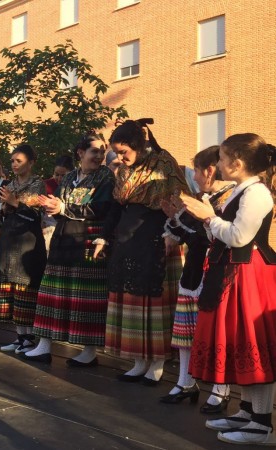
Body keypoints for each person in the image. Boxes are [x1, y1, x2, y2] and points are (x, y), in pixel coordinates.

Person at [181, 134, 276, 445]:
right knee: (240, 342)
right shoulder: (242, 189)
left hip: (248, 274)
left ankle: (262, 424)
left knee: (253, 342)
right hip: (234, 272)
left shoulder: (258, 193)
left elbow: (238, 237)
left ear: (237, 163)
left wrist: (208, 218)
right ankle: (248, 412)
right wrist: (207, 218)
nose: (218, 164)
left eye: (221, 159)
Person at [93, 119, 188, 385]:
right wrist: (104, 237)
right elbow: (116, 206)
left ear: (137, 145)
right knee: (131, 301)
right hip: (127, 241)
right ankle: (139, 360)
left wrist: (173, 233)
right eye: (118, 153)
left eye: (124, 152)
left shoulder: (163, 163)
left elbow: (180, 201)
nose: (121, 158)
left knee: (153, 304)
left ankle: (157, 361)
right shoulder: (123, 172)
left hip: (157, 238)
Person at [25, 134, 115, 365]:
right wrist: (48, 205)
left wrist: (64, 207)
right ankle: (44, 345)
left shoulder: (105, 176)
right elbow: (57, 203)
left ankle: (89, 351)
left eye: (102, 152)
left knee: (85, 297)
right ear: (80, 153)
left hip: (87, 241)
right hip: (63, 239)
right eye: (94, 151)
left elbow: (102, 207)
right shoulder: (70, 177)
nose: (99, 156)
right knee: (53, 292)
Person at [157, 146, 235, 409]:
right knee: (186, 332)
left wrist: (189, 221)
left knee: (213, 334)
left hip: (215, 272)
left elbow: (216, 236)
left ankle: (220, 388)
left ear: (208, 171)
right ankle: (186, 381)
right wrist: (175, 219)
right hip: (194, 271)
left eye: (197, 173)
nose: (196, 179)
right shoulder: (206, 198)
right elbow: (187, 235)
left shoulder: (228, 199)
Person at [0, 144, 47, 353]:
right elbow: (5, 210)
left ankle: (30, 337)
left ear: (31, 162)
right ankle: (20, 335)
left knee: (25, 285)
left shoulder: (37, 184)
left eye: (19, 161)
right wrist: (4, 208)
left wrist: (15, 203)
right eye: (13, 161)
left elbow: (35, 214)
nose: (14, 165)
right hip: (9, 238)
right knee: (11, 287)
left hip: (27, 241)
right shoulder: (10, 184)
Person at [41, 155, 75, 251]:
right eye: (57, 174)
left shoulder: (76, 187)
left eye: (63, 175)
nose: (59, 178)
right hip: (47, 228)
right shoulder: (46, 185)